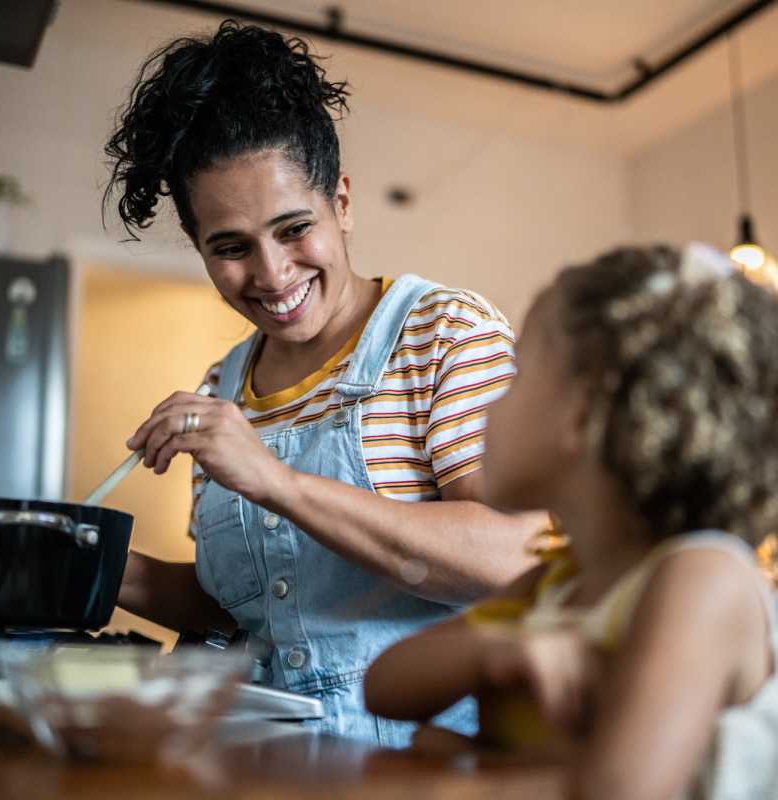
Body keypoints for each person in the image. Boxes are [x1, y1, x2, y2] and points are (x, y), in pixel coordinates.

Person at [104, 20, 545, 745]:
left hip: (420, 772)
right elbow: (247, 617)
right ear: (199, 247)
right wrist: (97, 563)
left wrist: (276, 480)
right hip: (260, 763)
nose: (273, 275)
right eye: (231, 248)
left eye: (293, 228)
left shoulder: (445, 335)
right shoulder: (223, 385)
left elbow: (517, 556)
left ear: (341, 202)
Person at [365, 243, 778, 797]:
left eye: (517, 376)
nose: (488, 407)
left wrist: (464, 776)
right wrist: (495, 652)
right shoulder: (559, 581)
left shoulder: (701, 578)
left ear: (582, 414)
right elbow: (384, 686)